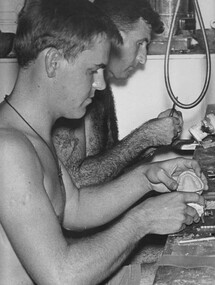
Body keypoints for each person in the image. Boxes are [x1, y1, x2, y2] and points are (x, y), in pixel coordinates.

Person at [0, 0, 207, 284]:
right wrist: (143, 219)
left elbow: (74, 206)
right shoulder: (9, 150)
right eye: (92, 70)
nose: (99, 84)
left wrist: (146, 178)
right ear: (52, 62)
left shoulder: (30, 133)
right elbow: (62, 276)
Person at [52, 0, 183, 188]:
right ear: (112, 38)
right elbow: (74, 182)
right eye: (139, 43)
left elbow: (110, 167)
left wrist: (152, 142)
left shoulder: (100, 85)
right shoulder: (72, 87)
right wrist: (145, 136)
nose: (143, 58)